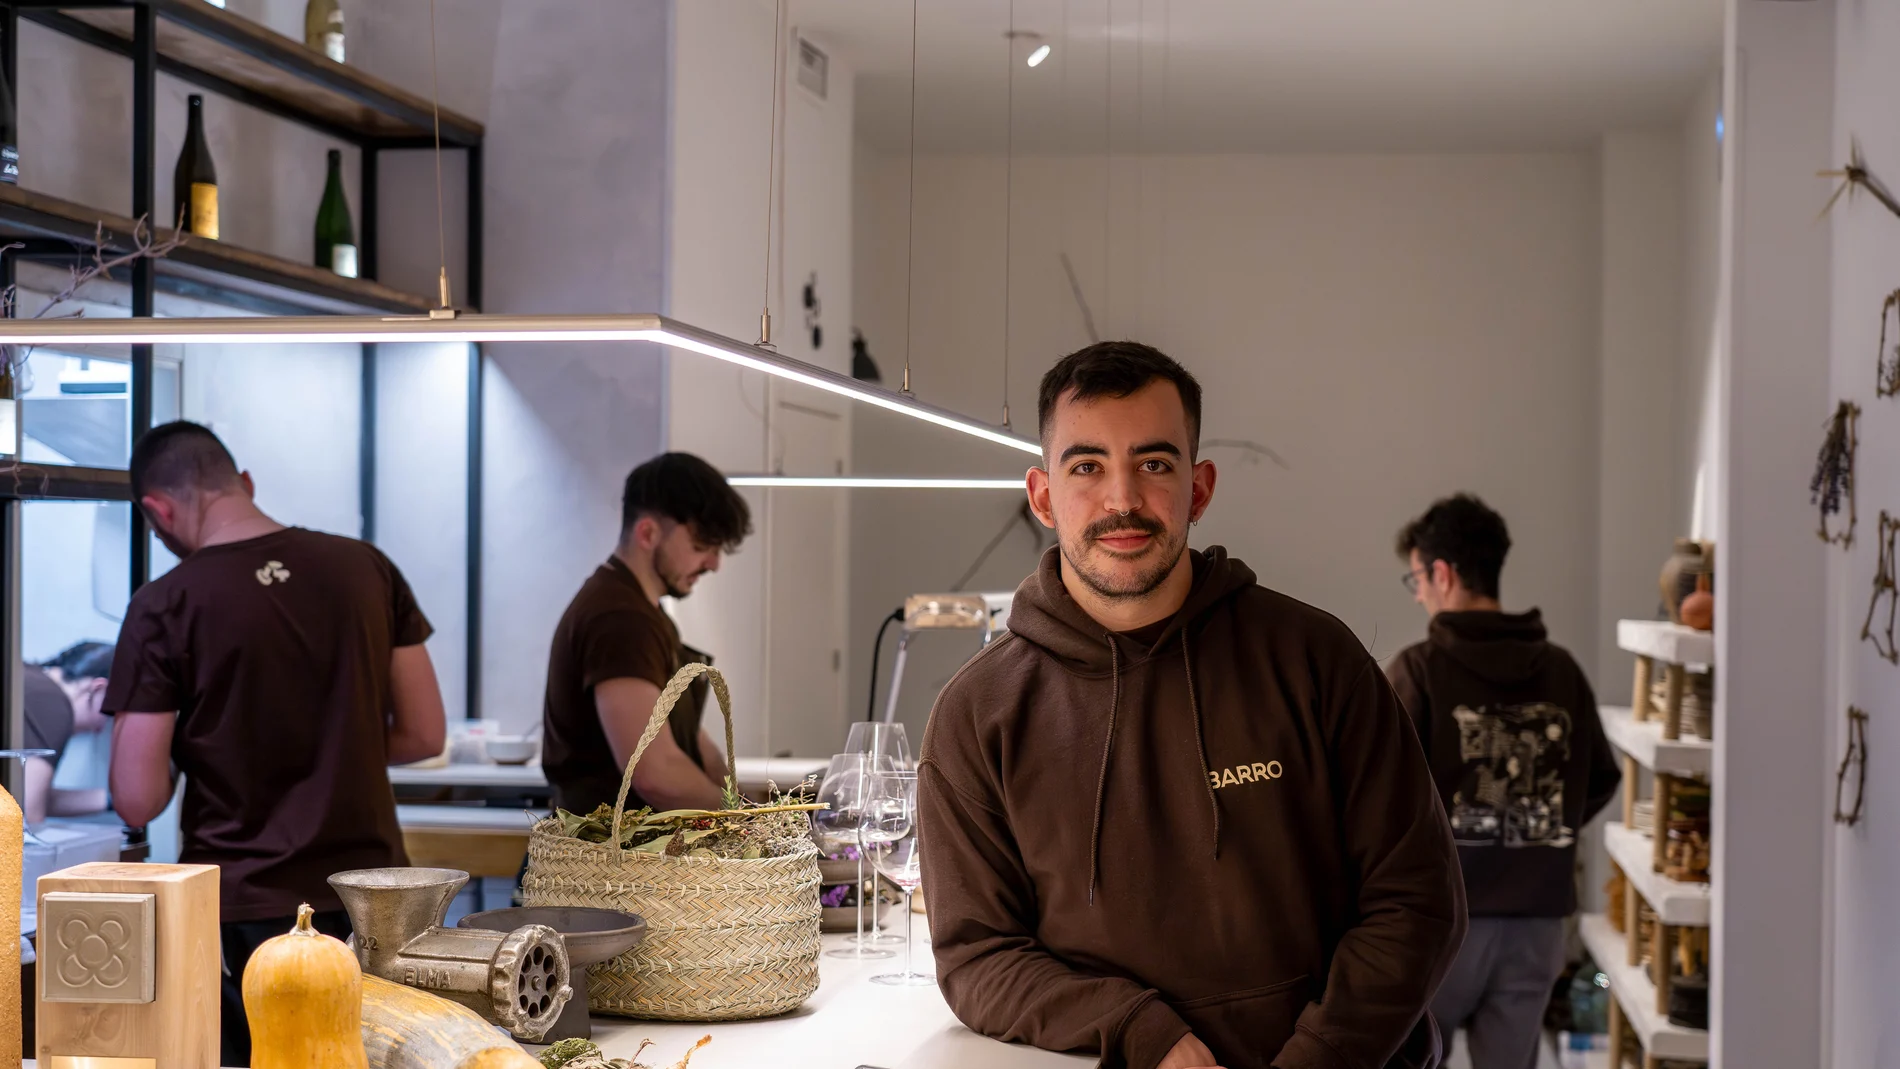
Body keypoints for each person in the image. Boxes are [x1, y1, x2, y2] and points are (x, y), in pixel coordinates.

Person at [918, 341, 1466, 1069]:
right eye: (1087, 466)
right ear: (1043, 496)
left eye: (1153, 464)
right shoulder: (977, 714)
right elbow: (977, 956)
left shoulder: (1316, 659)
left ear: (1198, 489)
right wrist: (1140, 1031)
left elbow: (1418, 899)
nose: (1121, 500)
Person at [103, 420, 447, 1068]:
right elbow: (426, 733)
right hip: (376, 902)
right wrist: (337, 741)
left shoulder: (165, 604)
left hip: (246, 913)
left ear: (159, 510)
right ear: (246, 482)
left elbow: (137, 797)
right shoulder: (367, 568)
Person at [1387, 494, 1620, 1069]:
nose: (1418, 594)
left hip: (1440, 922)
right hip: (1536, 924)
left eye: (1417, 579)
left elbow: (1378, 793)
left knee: (1409, 1060)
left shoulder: (1418, 671)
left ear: (1442, 574)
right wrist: (1535, 835)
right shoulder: (1562, 669)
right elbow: (1601, 778)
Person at [542, 452, 751, 816]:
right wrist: (744, 820)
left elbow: (685, 737)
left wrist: (748, 806)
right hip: (606, 852)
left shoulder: (644, 612)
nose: (713, 564)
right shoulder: (619, 619)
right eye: (701, 547)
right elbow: (656, 773)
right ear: (648, 533)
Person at [21, 641, 114, 825]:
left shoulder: (30, 678)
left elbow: (34, 797)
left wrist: (121, 800)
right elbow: (29, 816)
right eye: (110, 714)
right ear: (98, 688)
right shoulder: (53, 702)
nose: (100, 729)